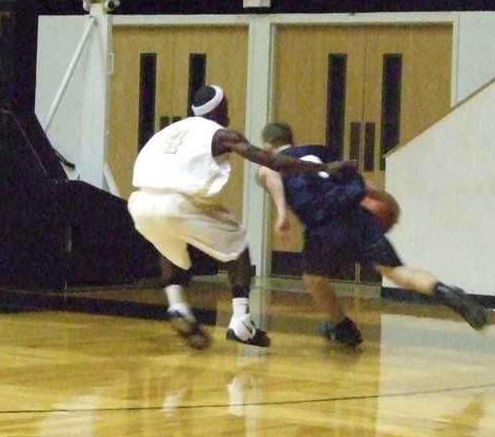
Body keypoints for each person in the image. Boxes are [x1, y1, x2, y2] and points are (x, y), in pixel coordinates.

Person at [128, 86, 355, 350]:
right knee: (239, 245)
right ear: (216, 110)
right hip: (178, 204)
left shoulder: (170, 131)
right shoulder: (221, 135)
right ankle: (241, 321)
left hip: (141, 204)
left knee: (167, 238)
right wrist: (324, 167)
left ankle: (177, 305)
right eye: (226, 106)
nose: (229, 112)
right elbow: (274, 162)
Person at [256, 121, 488, 347]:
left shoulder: (272, 163)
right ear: (290, 139)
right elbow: (364, 185)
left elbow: (270, 174)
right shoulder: (321, 152)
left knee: (314, 279)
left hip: (323, 228)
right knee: (399, 273)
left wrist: (281, 213)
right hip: (357, 215)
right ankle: (443, 291)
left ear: (267, 146)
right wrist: (389, 202)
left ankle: (342, 328)